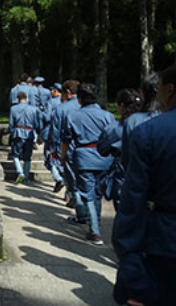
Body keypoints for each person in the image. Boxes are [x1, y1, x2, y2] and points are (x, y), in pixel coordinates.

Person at [112, 64, 176, 306]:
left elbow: (133, 202)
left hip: (165, 243)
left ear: (169, 90)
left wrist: (131, 266)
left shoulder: (150, 132)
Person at [61, 83, 114, 246]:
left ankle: (95, 230)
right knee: (97, 193)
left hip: (83, 157)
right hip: (104, 157)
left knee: (89, 194)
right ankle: (94, 224)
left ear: (80, 98)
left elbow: (66, 140)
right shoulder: (107, 116)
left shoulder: (73, 116)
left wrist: (63, 157)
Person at [97, 88, 141, 212]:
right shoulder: (151, 122)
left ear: (121, 105)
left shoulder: (116, 128)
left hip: (123, 177)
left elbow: (102, 148)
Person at [52, 80, 89, 225]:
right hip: (90, 149)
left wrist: (55, 151)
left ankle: (81, 214)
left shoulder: (62, 109)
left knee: (73, 184)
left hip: (70, 150)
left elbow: (56, 132)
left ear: (67, 92)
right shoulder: (85, 106)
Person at [121, 73, 161, 171]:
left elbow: (126, 158)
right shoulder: (169, 119)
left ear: (142, 93)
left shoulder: (132, 120)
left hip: (138, 175)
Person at [9, 91, 42, 184]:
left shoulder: (13, 109)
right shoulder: (34, 109)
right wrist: (39, 134)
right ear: (27, 99)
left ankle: (20, 172)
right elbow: (37, 124)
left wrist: (12, 131)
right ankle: (26, 177)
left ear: (18, 99)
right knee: (27, 156)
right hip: (29, 134)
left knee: (15, 154)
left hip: (18, 132)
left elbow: (11, 123)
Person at [43, 83, 63, 192]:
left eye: (52, 90)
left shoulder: (51, 102)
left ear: (55, 90)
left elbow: (47, 117)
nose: (50, 92)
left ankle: (58, 178)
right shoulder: (65, 102)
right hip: (64, 134)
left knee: (49, 158)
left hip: (52, 133)